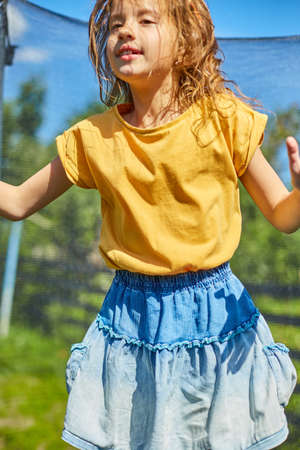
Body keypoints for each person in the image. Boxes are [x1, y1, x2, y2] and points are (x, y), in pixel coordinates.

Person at [0, 0, 299, 448]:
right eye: (115, 24)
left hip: (216, 317)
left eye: (144, 20)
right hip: (131, 319)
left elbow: (283, 215)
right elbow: (18, 202)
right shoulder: (93, 138)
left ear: (185, 41)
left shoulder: (222, 120)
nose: (124, 31)